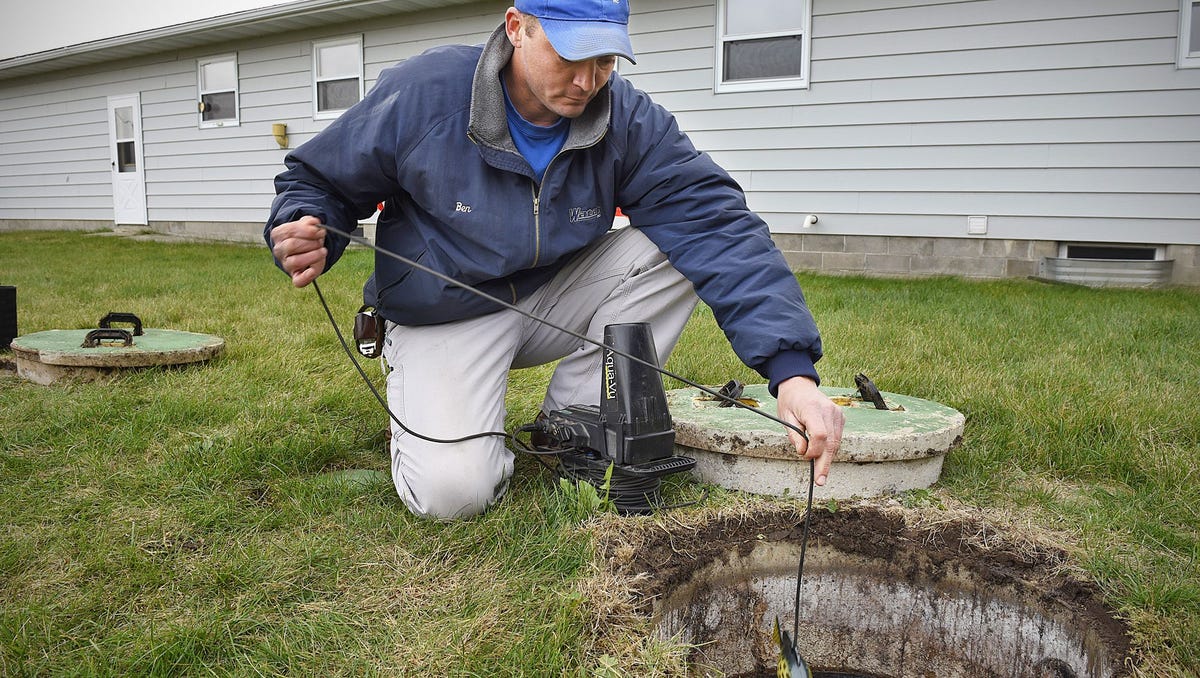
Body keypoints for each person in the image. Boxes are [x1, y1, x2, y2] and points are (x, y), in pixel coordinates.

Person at [266, 0, 845, 520]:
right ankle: (430, 426)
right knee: (454, 494)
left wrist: (790, 372)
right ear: (517, 28)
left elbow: (714, 224)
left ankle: (573, 427)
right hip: (446, 308)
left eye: (606, 61)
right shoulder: (426, 93)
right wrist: (307, 226)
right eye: (571, 57)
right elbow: (319, 179)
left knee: (675, 246)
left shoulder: (628, 119)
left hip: (556, 293)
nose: (588, 81)